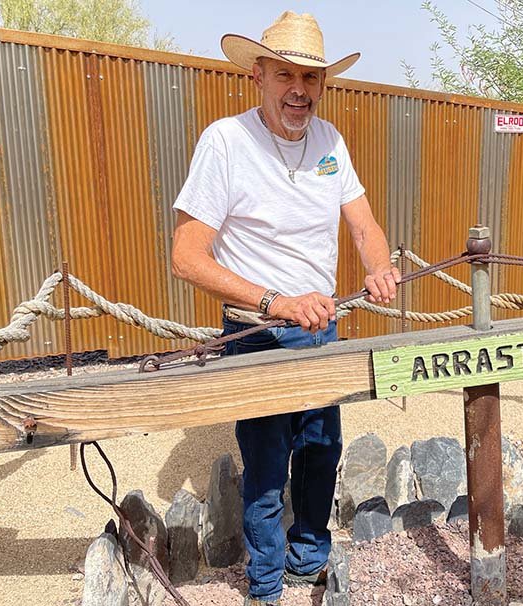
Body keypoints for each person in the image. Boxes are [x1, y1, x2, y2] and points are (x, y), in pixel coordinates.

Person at [170, 11, 400, 605]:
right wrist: (278, 301)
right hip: (259, 334)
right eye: (285, 76)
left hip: (323, 329)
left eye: (311, 78)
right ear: (258, 76)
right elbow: (187, 258)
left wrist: (377, 265)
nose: (299, 91)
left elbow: (365, 226)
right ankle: (266, 587)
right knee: (268, 471)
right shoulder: (225, 141)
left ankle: (308, 562)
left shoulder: (331, 143)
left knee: (323, 454)